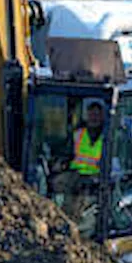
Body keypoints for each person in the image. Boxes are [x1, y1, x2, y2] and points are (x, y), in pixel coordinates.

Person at [51, 101, 106, 237]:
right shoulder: (78, 134)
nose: (93, 118)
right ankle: (58, 217)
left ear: (102, 117)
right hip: (76, 173)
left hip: (97, 176)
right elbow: (67, 153)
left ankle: (76, 226)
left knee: (80, 197)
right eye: (91, 115)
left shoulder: (108, 136)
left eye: (97, 115)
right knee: (57, 183)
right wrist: (60, 164)